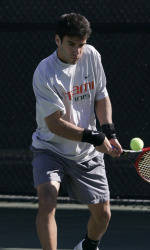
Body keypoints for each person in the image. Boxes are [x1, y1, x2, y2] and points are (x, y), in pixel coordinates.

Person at [31, 13, 122, 250]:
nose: (77, 51)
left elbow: (101, 96)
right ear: (57, 40)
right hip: (50, 148)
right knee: (47, 200)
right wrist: (95, 137)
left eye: (81, 45)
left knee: (103, 215)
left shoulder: (91, 56)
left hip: (86, 154)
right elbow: (55, 124)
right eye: (71, 44)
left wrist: (109, 133)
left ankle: (88, 246)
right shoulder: (45, 72)